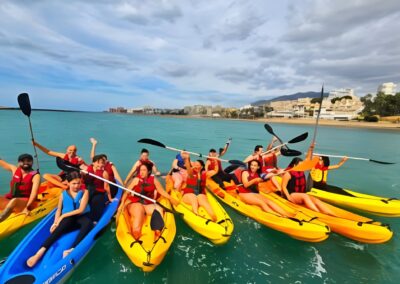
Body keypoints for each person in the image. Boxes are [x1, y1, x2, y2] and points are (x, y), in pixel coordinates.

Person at [26, 171, 92, 267]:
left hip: (79, 217)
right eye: (74, 183)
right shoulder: (63, 194)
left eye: (79, 183)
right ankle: (39, 253)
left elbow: (81, 210)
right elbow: (58, 210)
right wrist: (56, 223)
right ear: (68, 183)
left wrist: (62, 216)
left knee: (88, 223)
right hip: (68, 220)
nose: (77, 186)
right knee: (57, 231)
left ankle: (72, 249)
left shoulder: (85, 192)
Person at [117, 163, 178, 240]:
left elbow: (161, 191)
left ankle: (157, 232)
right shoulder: (136, 180)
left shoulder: (154, 180)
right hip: (136, 203)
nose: (141, 172)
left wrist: (171, 198)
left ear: (148, 171)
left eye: (144, 170)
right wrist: (122, 204)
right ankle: (136, 235)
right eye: (140, 170)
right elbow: (126, 193)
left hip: (147, 204)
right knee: (139, 213)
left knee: (158, 209)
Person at [280, 144, 337, 216]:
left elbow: (307, 159)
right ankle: (318, 214)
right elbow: (283, 187)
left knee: (315, 199)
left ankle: (332, 214)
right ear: (294, 165)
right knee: (305, 196)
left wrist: (310, 148)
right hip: (291, 194)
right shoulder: (288, 174)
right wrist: (288, 198)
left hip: (299, 194)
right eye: (299, 165)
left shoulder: (301, 170)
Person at [0, 154, 40, 222]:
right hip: (11, 200)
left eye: (28, 161)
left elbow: (34, 194)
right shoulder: (14, 169)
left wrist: (26, 207)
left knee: (14, 200)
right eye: (23, 161)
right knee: (12, 200)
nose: (26, 163)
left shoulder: (36, 176)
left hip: (25, 203)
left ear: (32, 162)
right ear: (19, 162)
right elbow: (1, 162)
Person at [180, 151, 218, 221]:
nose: (195, 166)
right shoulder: (190, 173)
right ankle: (195, 213)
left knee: (204, 201)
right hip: (188, 195)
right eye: (195, 164)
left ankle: (214, 217)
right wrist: (187, 158)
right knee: (193, 198)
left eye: (197, 165)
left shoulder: (204, 174)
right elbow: (188, 168)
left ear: (201, 167)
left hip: (200, 194)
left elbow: (215, 171)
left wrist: (215, 160)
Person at [85, 155, 113, 223]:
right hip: (88, 190)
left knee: (96, 201)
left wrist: (110, 198)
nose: (100, 165)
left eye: (102, 163)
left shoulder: (104, 173)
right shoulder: (88, 169)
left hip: (99, 192)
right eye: (98, 162)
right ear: (93, 163)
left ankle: (95, 219)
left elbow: (106, 186)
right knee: (83, 200)